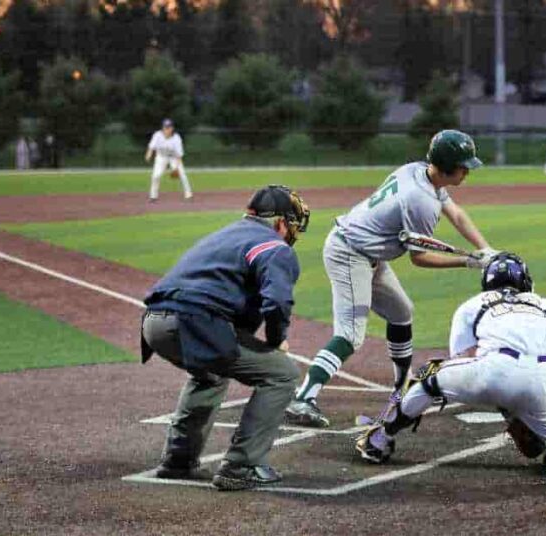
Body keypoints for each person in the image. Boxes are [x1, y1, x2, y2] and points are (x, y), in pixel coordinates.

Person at [284, 129, 498, 428]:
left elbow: (457, 214)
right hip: (350, 253)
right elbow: (419, 257)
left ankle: (402, 385)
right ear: (448, 165)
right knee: (350, 335)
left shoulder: (418, 171)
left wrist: (485, 248)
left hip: (371, 253)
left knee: (401, 312)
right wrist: (467, 261)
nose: (467, 171)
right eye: (464, 166)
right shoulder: (420, 200)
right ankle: (303, 398)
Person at [355, 253, 546, 486]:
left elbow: (464, 357)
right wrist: (525, 412)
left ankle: (379, 438)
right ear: (526, 281)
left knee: (431, 374)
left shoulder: (474, 304)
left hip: (495, 369)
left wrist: (507, 406)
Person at [140, 185, 310, 491]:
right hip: (194, 322)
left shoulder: (226, 233)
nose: (293, 231)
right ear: (280, 223)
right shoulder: (275, 246)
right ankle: (242, 465)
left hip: (153, 323)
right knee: (282, 374)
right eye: (292, 223)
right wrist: (275, 340)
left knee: (211, 375)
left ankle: (178, 461)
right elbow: (278, 303)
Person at [145, 118, 193, 202]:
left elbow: (179, 155)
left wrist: (176, 168)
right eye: (165, 127)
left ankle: (188, 195)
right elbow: (151, 146)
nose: (167, 129)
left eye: (169, 127)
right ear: (162, 128)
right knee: (156, 175)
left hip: (174, 157)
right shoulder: (157, 135)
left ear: (172, 128)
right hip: (161, 156)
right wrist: (148, 154)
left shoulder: (176, 138)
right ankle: (153, 196)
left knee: (182, 174)